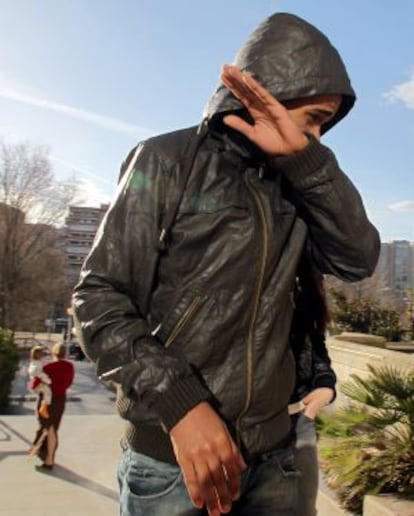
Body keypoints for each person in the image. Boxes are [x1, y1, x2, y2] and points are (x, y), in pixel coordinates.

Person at [73, 12, 380, 516]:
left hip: (276, 461)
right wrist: (181, 405)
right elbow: (98, 298)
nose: (319, 137)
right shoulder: (165, 159)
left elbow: (357, 259)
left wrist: (304, 164)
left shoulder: (303, 181)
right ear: (277, 91)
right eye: (316, 118)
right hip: (176, 464)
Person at [289, 257, 336, 516]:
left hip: (299, 418)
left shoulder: (306, 269)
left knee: (303, 510)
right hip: (233, 427)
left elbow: (315, 341)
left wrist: (326, 384)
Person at [32, 343, 75, 471]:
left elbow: (34, 385)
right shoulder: (70, 367)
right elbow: (68, 383)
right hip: (60, 400)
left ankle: (47, 457)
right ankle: (47, 456)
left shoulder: (48, 367)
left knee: (47, 428)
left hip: (46, 401)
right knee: (52, 429)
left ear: (53, 353)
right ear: (65, 354)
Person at [27, 345, 52, 419]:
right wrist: (48, 380)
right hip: (38, 384)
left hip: (36, 383)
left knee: (44, 394)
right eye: (41, 353)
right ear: (37, 354)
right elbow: (39, 373)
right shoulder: (37, 363)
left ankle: (43, 408)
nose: (43, 354)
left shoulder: (34, 362)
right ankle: (43, 408)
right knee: (48, 392)